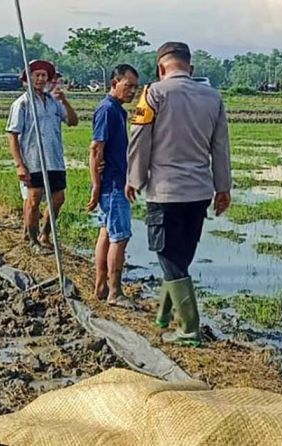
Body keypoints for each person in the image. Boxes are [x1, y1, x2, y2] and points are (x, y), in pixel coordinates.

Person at [127, 42, 232, 347]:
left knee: (167, 255)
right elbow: (220, 147)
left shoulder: (154, 93)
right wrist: (222, 187)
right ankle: (162, 315)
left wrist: (134, 178)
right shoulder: (213, 97)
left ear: (161, 68)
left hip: (165, 191)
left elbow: (139, 140)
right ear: (191, 68)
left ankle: (188, 329)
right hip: (199, 192)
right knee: (181, 256)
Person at [6, 60, 78, 254]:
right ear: (28, 78)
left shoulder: (54, 101)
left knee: (58, 198)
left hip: (54, 158)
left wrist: (64, 101)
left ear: (48, 79)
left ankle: (45, 233)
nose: (40, 79)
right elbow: (12, 135)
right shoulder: (22, 103)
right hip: (33, 158)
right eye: (36, 75)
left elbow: (72, 121)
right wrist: (19, 165)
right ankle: (32, 240)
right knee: (34, 198)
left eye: (43, 76)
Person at [86, 64, 139, 308]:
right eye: (127, 86)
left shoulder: (118, 111)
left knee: (107, 232)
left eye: (135, 87)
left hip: (116, 179)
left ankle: (101, 286)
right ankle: (114, 292)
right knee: (121, 236)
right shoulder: (107, 109)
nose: (132, 91)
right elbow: (96, 148)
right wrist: (96, 186)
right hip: (114, 182)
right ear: (114, 83)